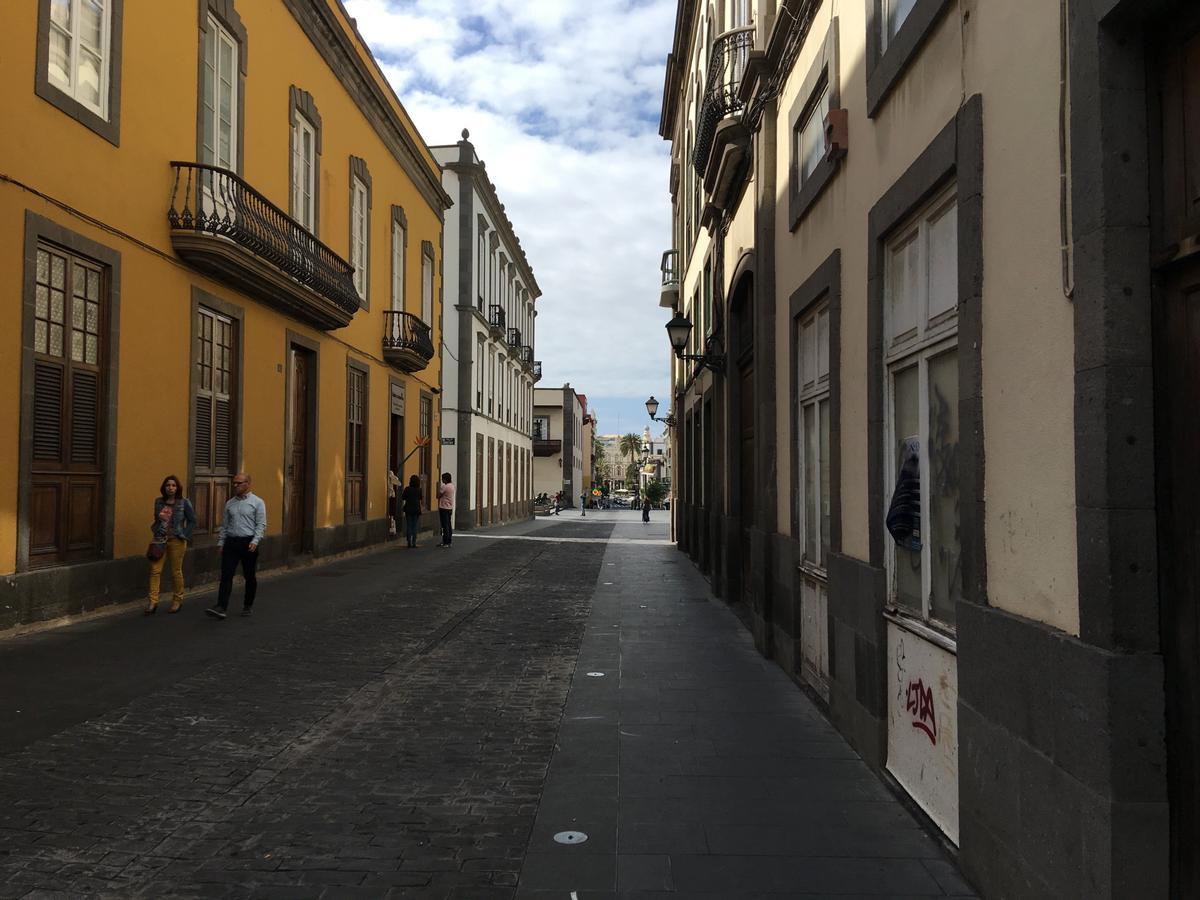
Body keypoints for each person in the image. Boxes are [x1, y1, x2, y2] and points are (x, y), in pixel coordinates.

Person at [206, 473, 266, 620]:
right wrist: (221, 543)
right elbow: (225, 525)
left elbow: (261, 524)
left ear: (248, 484)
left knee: (249, 576)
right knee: (226, 575)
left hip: (248, 543)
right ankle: (221, 606)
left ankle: (248, 605)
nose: (235, 486)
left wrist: (255, 541)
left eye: (238, 483)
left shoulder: (257, 502)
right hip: (231, 543)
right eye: (234, 483)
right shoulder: (229, 503)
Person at [145, 475, 196, 615]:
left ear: (177, 487)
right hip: (159, 540)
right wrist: (156, 530)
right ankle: (153, 602)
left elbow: (192, 521)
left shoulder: (184, 502)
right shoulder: (158, 502)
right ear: (164, 487)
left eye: (173, 485)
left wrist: (184, 534)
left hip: (177, 541)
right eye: (168, 485)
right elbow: (156, 520)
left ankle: (177, 600)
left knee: (176, 571)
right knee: (155, 570)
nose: (170, 488)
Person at [401, 474, 422, 548]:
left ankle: (409, 541)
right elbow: (421, 498)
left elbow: (403, 497)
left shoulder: (407, 489)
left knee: (409, 525)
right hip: (416, 509)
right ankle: (414, 542)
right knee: (414, 525)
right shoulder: (419, 489)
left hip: (408, 508)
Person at [437, 472, 455, 547]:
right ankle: (448, 541)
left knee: (445, 525)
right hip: (450, 508)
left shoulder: (444, 487)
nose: (442, 480)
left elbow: (438, 495)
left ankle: (446, 542)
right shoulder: (452, 486)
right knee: (448, 524)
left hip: (443, 507)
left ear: (445, 479)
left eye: (443, 479)